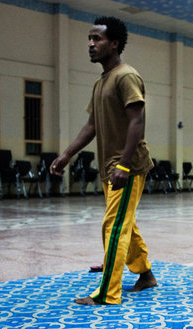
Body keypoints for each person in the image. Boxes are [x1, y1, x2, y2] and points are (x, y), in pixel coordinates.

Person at [50, 16, 157, 305]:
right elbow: (91, 126)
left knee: (114, 226)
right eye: (89, 38)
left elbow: (137, 121)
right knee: (125, 223)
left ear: (114, 44)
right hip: (112, 167)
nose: (90, 44)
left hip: (127, 166)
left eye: (97, 39)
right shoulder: (101, 82)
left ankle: (108, 293)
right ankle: (145, 274)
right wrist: (66, 155)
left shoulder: (126, 76)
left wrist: (123, 165)